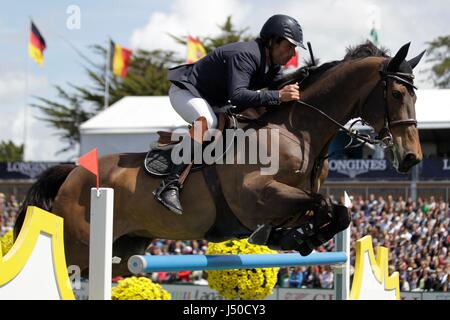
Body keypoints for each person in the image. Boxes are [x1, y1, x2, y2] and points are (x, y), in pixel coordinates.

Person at [153, 14, 306, 215]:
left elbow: (277, 90)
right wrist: (279, 95)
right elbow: (239, 96)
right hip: (187, 92)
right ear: (272, 41)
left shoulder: (273, 65)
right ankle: (170, 185)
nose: (292, 53)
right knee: (207, 122)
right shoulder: (246, 55)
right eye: (289, 46)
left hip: (213, 101)